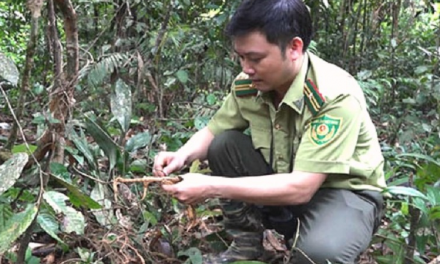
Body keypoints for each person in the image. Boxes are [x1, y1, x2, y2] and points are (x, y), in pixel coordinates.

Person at [153, 0, 386, 263]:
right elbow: (213, 131)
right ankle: (246, 246)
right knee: (224, 144)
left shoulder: (334, 96)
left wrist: (210, 187)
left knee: (320, 254)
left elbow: (301, 188)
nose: (246, 68)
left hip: (343, 192)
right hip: (284, 181)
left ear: (294, 48)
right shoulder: (249, 85)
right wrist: (181, 156)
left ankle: (318, 234)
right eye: (241, 57)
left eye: (255, 58)